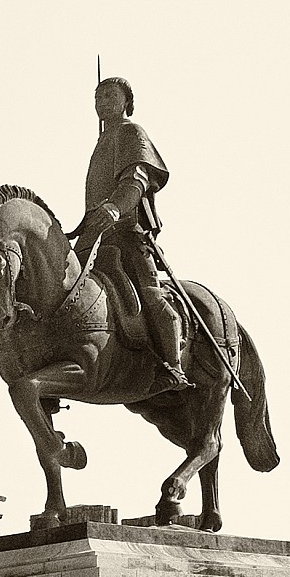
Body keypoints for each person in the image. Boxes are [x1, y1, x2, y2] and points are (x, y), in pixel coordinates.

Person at [74, 77, 192, 391]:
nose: (103, 101)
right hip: (97, 237)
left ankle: (174, 365)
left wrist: (115, 207)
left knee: (150, 294)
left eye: (111, 95)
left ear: (128, 101)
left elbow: (136, 178)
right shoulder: (102, 142)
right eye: (98, 97)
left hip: (129, 232)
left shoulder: (131, 132)